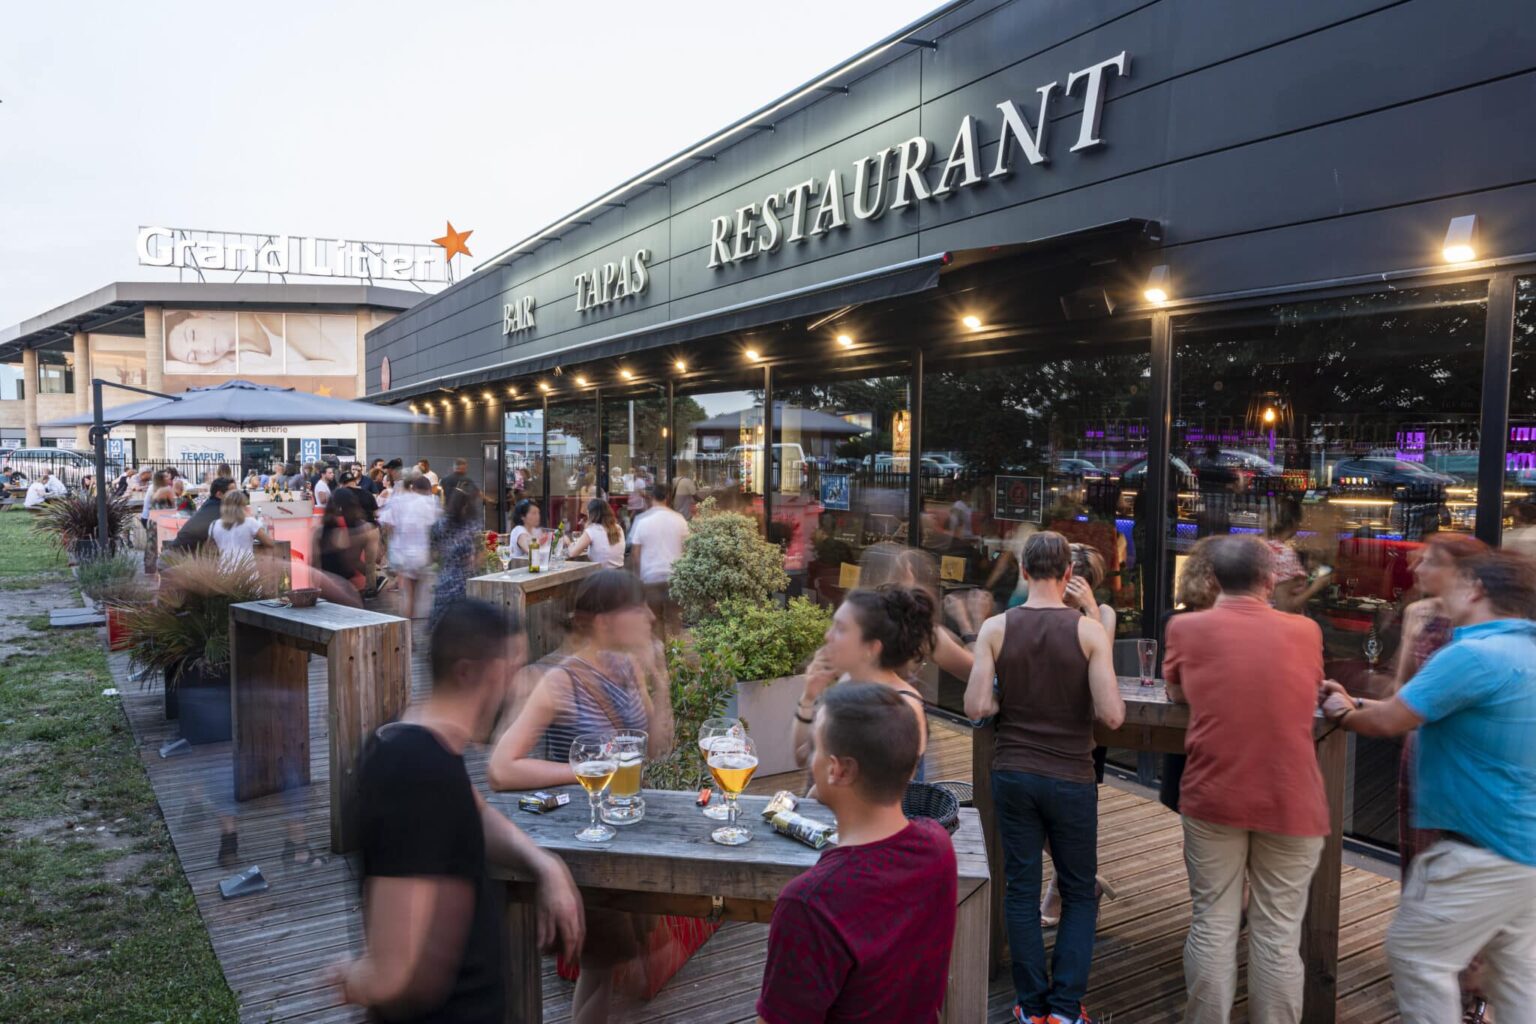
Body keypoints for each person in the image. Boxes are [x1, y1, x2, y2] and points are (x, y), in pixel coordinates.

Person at [332, 598, 585, 1022]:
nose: (519, 688)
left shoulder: (418, 741)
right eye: (509, 671)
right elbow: (399, 975)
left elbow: (477, 813)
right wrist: (353, 979)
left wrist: (545, 865)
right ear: (469, 671)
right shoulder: (414, 771)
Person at [1321, 552, 1536, 1024]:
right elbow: (1425, 706)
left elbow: (1391, 718)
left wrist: (1345, 712)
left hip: (1478, 850)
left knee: (1418, 956)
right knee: (1515, 978)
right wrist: (1358, 700)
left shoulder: (1472, 653)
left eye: (1453, 581)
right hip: (1525, 853)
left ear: (1476, 588)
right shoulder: (1527, 650)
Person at [488, 569, 673, 1023]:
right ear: (606, 621)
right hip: (582, 841)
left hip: (627, 831)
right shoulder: (561, 682)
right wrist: (584, 771)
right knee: (600, 969)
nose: (650, 615)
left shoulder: (628, 667)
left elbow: (656, 747)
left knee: (614, 969)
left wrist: (660, 679)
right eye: (637, 607)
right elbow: (500, 768)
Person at [1163, 535, 1330, 1024]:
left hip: (1213, 792)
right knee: (1277, 933)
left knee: (1212, 920)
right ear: (1270, 579)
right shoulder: (1305, 632)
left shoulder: (1184, 628)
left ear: (1212, 579)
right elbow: (1310, 692)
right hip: (1291, 797)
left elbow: (1176, 691)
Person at [964, 530, 1124, 1024]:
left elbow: (975, 707)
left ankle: (1032, 1007)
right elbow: (1113, 716)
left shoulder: (995, 627)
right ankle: (1064, 1009)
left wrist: (998, 699)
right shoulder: (1089, 631)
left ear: (1025, 572)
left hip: (1013, 772)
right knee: (1077, 891)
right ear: (1069, 575)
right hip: (1071, 775)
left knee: (1020, 888)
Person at [756, 683, 957, 1024]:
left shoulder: (809, 903)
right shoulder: (938, 846)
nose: (807, 753)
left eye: (817, 746)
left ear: (838, 770)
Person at [1390, 534, 1489, 877]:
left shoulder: (1488, 619)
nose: (1417, 566)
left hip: (1473, 748)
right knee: (1421, 850)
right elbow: (1403, 685)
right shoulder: (1418, 612)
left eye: (1430, 561)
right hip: (1423, 742)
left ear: (1462, 571)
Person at [794, 586, 933, 783]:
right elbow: (802, 757)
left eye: (840, 629)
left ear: (871, 648)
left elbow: (883, 792)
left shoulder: (902, 707)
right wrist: (808, 697)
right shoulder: (846, 682)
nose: (828, 636)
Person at [1157, 535, 1222, 814]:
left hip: (1206, 739)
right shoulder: (1175, 620)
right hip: (1191, 738)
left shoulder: (1174, 620)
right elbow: (1175, 689)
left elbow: (1177, 689)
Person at [626, 484, 689, 637]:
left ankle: (661, 654)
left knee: (656, 620)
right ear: (667, 498)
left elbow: (635, 553)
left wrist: (638, 578)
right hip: (675, 577)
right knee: (675, 617)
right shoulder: (679, 519)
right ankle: (677, 653)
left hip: (650, 577)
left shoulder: (642, 520)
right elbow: (687, 548)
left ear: (651, 498)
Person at [379, 474, 439, 620]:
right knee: (415, 592)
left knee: (408, 593)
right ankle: (410, 618)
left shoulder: (401, 500)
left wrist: (392, 540)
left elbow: (386, 522)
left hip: (403, 552)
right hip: (421, 553)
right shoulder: (429, 502)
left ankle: (407, 618)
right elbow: (435, 527)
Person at [429, 480, 484, 632]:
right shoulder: (472, 525)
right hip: (465, 582)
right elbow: (480, 553)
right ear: (467, 505)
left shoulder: (440, 524)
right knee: (465, 627)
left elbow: (433, 553)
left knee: (442, 625)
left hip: (445, 580)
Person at [207, 490, 274, 568]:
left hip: (224, 569)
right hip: (247, 569)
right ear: (243, 505)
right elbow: (269, 543)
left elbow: (209, 549)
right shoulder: (250, 522)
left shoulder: (214, 524)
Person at [170, 476, 234, 554]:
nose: (237, 495)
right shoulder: (221, 510)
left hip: (177, 553)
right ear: (219, 494)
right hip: (181, 557)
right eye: (233, 492)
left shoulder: (209, 503)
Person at [565, 498, 625, 569]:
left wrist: (568, 542)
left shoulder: (592, 530)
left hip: (601, 576)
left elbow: (572, 553)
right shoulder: (618, 528)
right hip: (619, 573)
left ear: (591, 514)